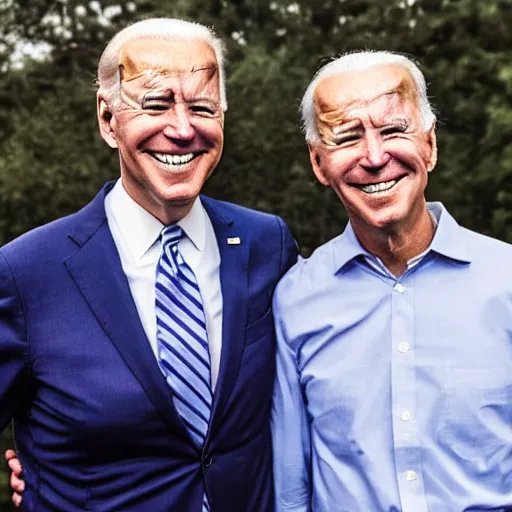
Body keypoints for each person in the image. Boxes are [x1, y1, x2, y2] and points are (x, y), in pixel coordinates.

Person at [0, 17, 297, 511]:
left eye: (202, 107)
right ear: (107, 118)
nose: (182, 130)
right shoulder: (26, 273)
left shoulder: (267, 244)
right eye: (156, 104)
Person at [272, 51, 512, 511]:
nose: (375, 157)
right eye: (347, 137)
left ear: (430, 144)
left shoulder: (506, 283)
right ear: (319, 163)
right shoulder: (295, 299)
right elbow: (291, 487)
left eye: (393, 130)